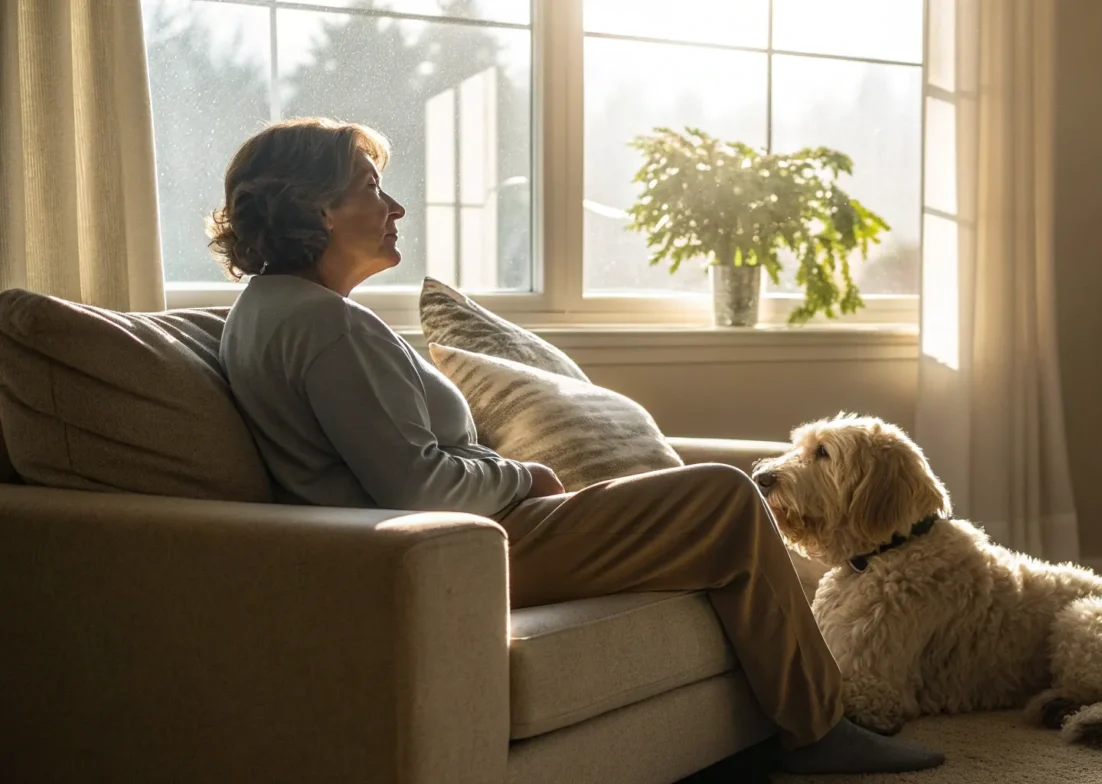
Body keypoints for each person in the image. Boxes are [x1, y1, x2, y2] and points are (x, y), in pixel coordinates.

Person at [211, 117, 945, 776]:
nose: (394, 207)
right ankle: (818, 731)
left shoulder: (271, 313)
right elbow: (417, 486)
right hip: (467, 544)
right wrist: (520, 474)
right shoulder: (327, 328)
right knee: (722, 496)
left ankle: (796, 717)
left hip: (446, 542)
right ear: (315, 209)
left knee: (712, 506)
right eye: (371, 188)